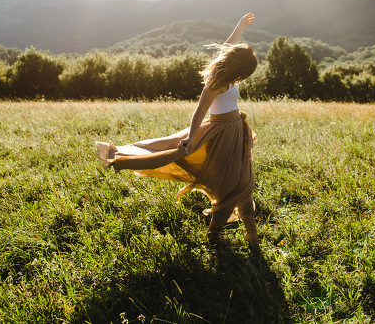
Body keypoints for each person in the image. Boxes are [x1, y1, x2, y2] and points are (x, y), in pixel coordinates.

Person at [96, 13, 259, 246]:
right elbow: (200, 112)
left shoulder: (229, 73)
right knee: (232, 185)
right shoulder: (216, 80)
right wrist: (192, 138)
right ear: (237, 66)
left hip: (235, 131)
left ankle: (250, 235)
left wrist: (240, 27)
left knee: (243, 182)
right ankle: (216, 236)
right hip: (220, 133)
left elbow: (228, 47)